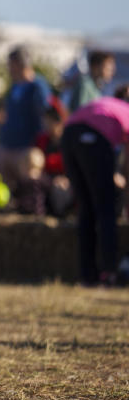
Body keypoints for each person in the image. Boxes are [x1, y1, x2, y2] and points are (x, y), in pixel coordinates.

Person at [60, 92, 129, 286]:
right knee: (106, 208)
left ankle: (87, 274)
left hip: (68, 137)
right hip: (92, 138)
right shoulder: (126, 112)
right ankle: (109, 272)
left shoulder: (108, 103)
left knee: (87, 208)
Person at [0, 46, 51, 186]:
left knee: (28, 181)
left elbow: (46, 116)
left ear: (18, 64)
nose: (8, 68)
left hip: (28, 147)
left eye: (10, 64)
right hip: (9, 145)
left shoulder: (38, 86)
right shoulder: (14, 86)